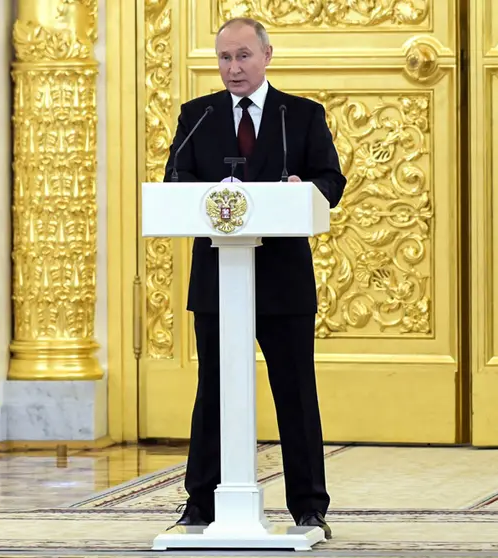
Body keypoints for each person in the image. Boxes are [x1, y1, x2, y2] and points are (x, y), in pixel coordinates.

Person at [162, 17, 346, 539]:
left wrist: (299, 186)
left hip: (283, 279)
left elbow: (331, 180)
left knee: (294, 390)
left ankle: (309, 506)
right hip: (220, 275)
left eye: (243, 56)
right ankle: (200, 504)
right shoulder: (196, 116)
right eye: (224, 58)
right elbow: (176, 180)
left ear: (267, 55)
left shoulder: (303, 116)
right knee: (215, 391)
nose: (234, 68)